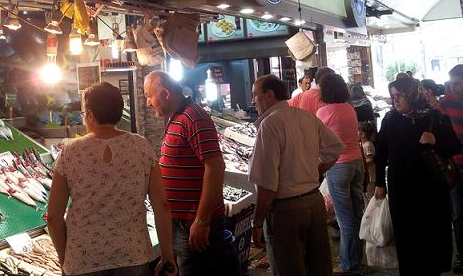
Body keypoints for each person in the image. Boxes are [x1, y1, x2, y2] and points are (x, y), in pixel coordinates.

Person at [47, 82, 177, 276]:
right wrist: (168, 254)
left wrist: (64, 258)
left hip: (84, 259)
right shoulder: (141, 146)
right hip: (133, 254)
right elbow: (162, 205)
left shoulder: (70, 152)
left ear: (90, 114)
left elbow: (53, 217)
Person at [248, 74, 345, 276]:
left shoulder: (269, 125)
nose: (252, 101)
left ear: (269, 95)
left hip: (286, 212)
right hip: (313, 203)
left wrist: (257, 223)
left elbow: (267, 184)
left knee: (289, 269)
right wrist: (314, 173)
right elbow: (335, 148)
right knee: (319, 267)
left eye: (255, 95)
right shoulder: (306, 116)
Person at [143, 71, 232, 276]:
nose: (148, 102)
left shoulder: (194, 117)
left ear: (165, 93)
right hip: (181, 222)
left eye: (149, 95)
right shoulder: (177, 118)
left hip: (192, 222)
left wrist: (202, 220)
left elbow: (216, 167)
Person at [375, 77, 461, 276]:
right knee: (406, 236)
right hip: (402, 188)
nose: (395, 100)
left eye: (399, 95)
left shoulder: (436, 118)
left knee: (432, 234)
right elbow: (381, 152)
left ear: (412, 94)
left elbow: (454, 147)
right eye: (393, 96)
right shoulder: (390, 120)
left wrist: (435, 141)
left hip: (431, 189)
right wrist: (379, 182)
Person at [316, 74, 364, 275]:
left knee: (344, 219)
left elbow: (316, 140)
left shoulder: (323, 112)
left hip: (339, 165)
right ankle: (357, 259)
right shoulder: (349, 108)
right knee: (356, 214)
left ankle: (347, 265)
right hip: (357, 163)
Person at [438, 64, 463, 274]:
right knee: (458, 215)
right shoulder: (445, 103)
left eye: (457, 84)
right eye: (452, 84)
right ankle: (462, 258)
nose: (453, 88)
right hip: (455, 169)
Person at [358, 122, 376, 204]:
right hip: (366, 175)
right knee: (365, 196)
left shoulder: (368, 145)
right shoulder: (361, 144)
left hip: (370, 176)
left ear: (362, 134)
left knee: (370, 196)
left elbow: (370, 159)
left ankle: (371, 214)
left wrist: (359, 162)